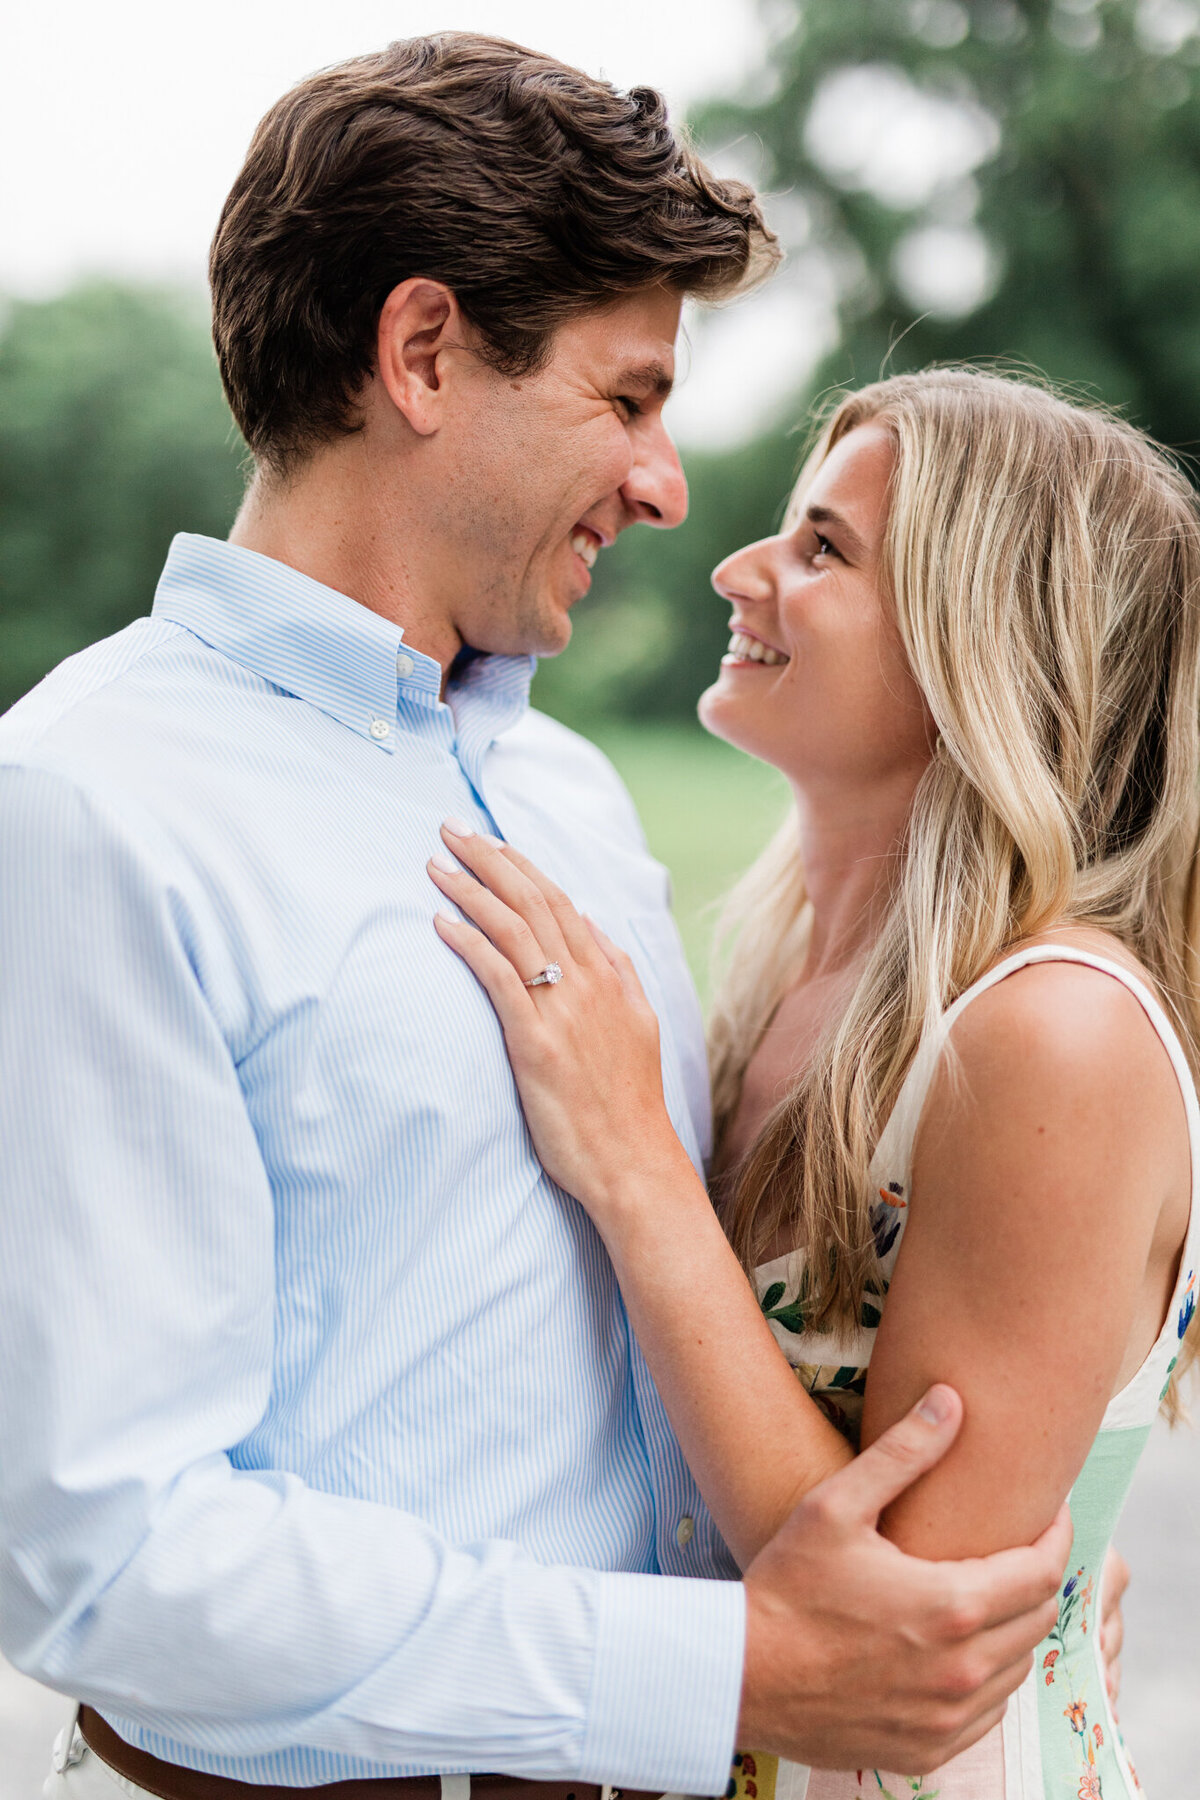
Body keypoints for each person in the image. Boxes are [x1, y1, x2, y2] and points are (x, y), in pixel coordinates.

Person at [0, 40, 1073, 1800]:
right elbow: (103, 1551)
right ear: (424, 353)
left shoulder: (569, 792)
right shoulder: (91, 803)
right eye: (628, 397)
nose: (666, 484)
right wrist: (730, 1668)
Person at [433, 368, 1200, 1799]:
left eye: (823, 549)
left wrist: (635, 1164)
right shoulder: (786, 976)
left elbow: (897, 1636)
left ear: (983, 643)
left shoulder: (1056, 1031)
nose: (739, 569)